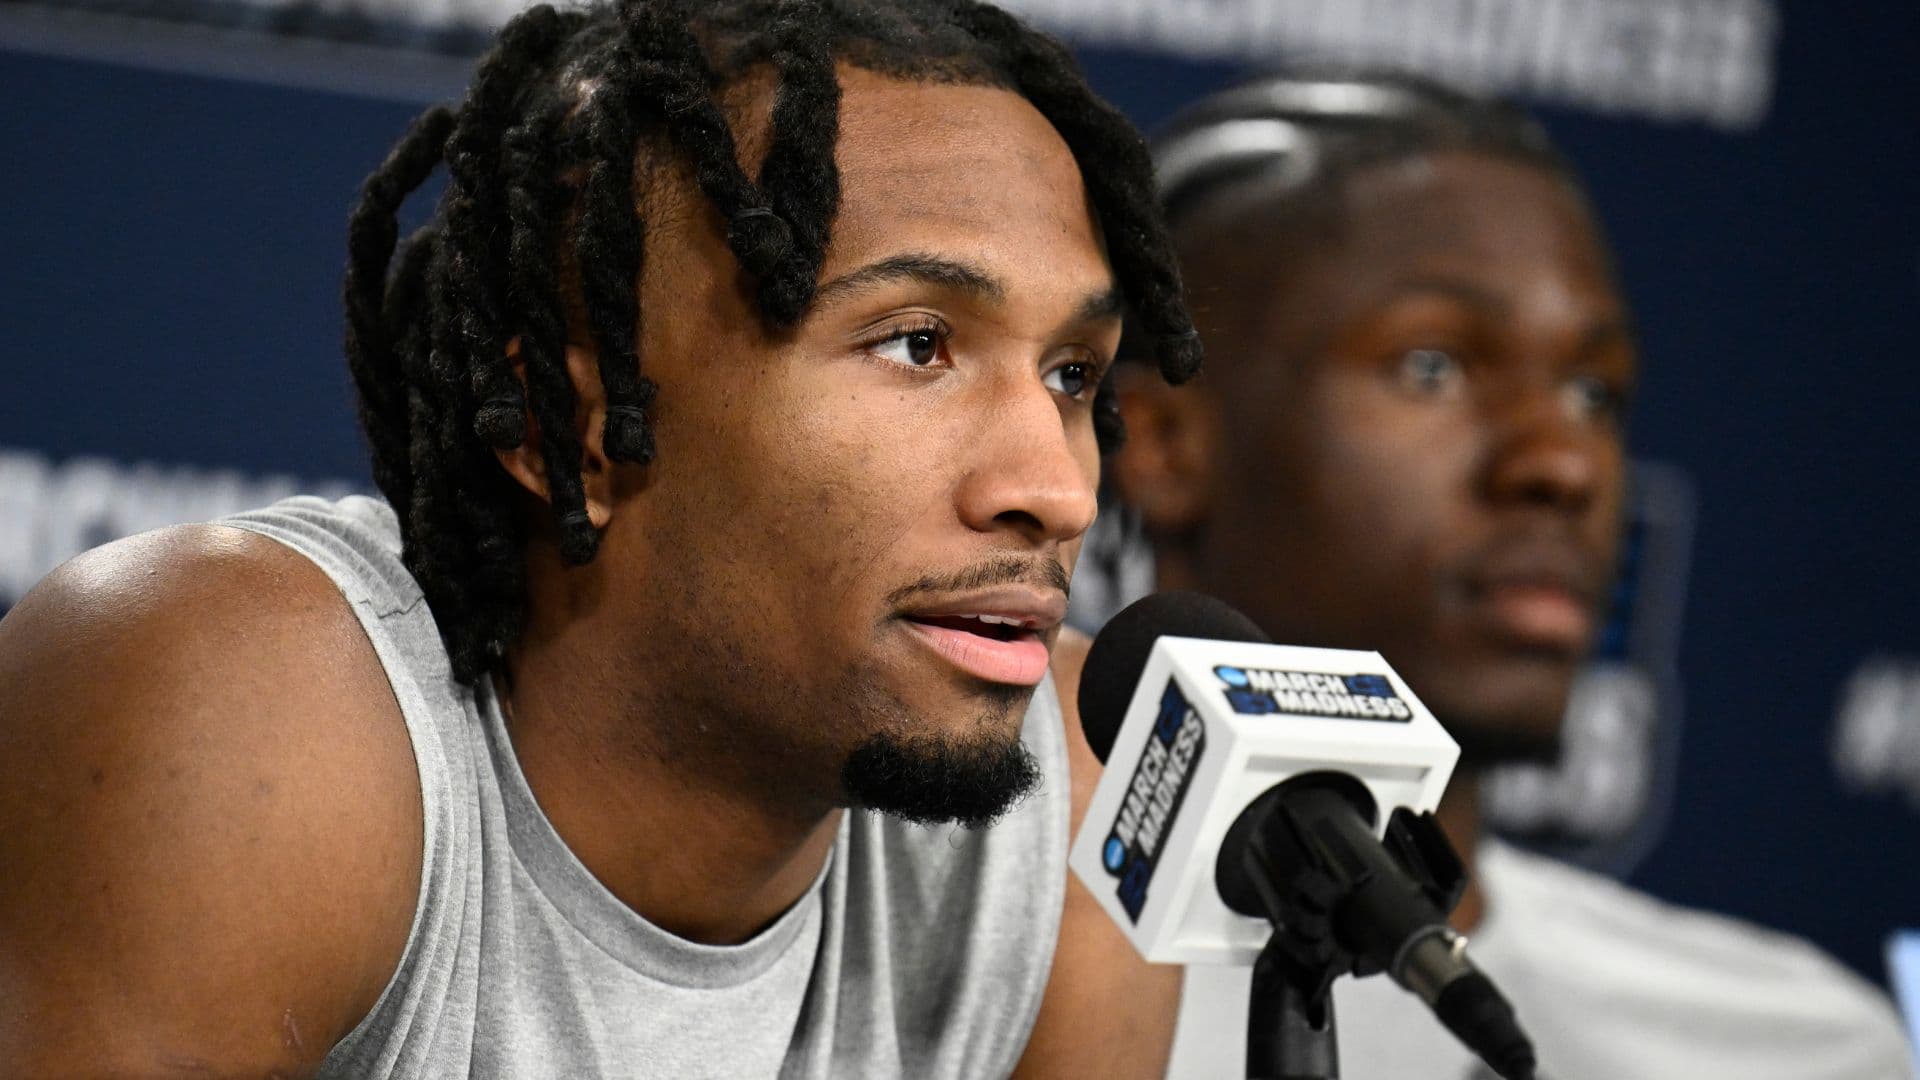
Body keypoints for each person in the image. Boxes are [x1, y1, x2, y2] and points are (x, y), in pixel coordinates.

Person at [0, 1, 1209, 1075]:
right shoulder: (243, 712)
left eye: (1071, 373)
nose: (1057, 490)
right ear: (567, 430)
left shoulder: (1080, 808)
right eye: (917, 345)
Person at [1105, 74, 1915, 1079]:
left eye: (1594, 392)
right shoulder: (964, 978)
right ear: (1164, 444)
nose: (1563, 465)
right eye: (1433, 366)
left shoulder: (1794, 1051)